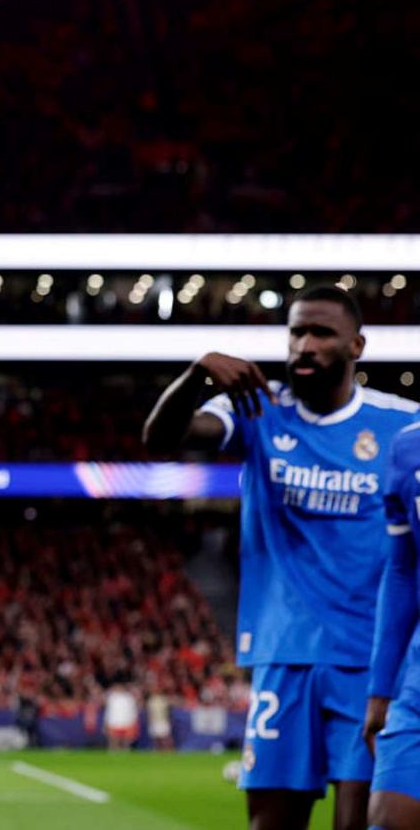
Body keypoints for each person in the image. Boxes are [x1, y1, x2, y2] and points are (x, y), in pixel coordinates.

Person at [144, 286, 419, 830]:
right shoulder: (257, 407)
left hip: (368, 662)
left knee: (358, 822)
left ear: (355, 346)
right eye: (296, 333)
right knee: (269, 824)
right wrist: (198, 373)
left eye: (321, 334)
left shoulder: (402, 427)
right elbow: (161, 440)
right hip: (283, 656)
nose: (304, 346)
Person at [363, 422, 420, 829]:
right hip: (417, 686)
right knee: (387, 818)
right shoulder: (408, 446)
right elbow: (402, 570)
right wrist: (381, 690)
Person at [104, 682, 139, 751]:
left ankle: (125, 759)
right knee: (114, 743)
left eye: (120, 687)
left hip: (127, 724)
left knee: (126, 744)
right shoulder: (111, 697)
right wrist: (106, 724)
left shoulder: (130, 698)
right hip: (114, 724)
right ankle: (112, 759)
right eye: (117, 687)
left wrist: (134, 723)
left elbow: (133, 712)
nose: (118, 689)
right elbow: (108, 712)